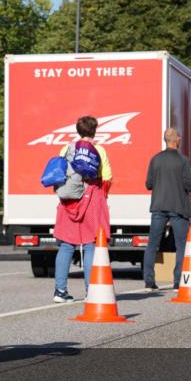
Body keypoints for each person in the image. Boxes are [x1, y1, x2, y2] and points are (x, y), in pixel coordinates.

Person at [51, 115, 112, 303]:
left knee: (66, 245)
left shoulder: (66, 148)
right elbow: (107, 178)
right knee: (90, 244)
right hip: (92, 198)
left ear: (78, 130)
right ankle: (90, 291)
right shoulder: (99, 150)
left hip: (69, 200)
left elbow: (59, 173)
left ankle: (60, 291)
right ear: (94, 130)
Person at [142, 128, 191, 291]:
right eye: (179, 137)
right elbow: (189, 185)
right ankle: (178, 281)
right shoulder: (183, 161)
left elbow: (149, 184)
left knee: (152, 244)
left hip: (158, 206)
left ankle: (149, 281)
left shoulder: (155, 159)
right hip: (178, 207)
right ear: (177, 139)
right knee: (181, 245)